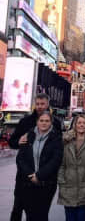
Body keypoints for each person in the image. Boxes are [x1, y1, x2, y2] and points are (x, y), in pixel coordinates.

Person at [9, 93, 61, 221]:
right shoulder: (25, 122)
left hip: (46, 178)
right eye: (37, 104)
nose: (40, 106)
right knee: (18, 208)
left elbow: (57, 151)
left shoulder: (56, 123)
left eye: (42, 104)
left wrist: (41, 174)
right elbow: (13, 143)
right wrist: (18, 141)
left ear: (47, 104)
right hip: (24, 177)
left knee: (40, 212)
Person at [58, 114, 85, 220]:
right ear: (75, 125)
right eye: (79, 123)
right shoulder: (66, 140)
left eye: (84, 123)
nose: (81, 125)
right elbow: (61, 164)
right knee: (70, 217)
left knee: (82, 217)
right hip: (68, 186)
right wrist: (61, 181)